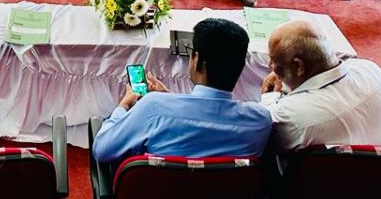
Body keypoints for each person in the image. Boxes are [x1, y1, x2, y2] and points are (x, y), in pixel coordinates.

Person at [92, 18, 271, 162]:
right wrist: (169, 98)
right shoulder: (260, 121)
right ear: (241, 66)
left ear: (197, 60)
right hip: (224, 198)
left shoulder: (153, 107)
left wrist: (122, 107)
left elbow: (102, 150)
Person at [261, 20, 381, 151]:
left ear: (298, 66)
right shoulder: (372, 70)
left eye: (273, 61)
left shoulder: (290, 116)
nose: (270, 66)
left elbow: (260, 124)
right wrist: (285, 70)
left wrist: (271, 95)